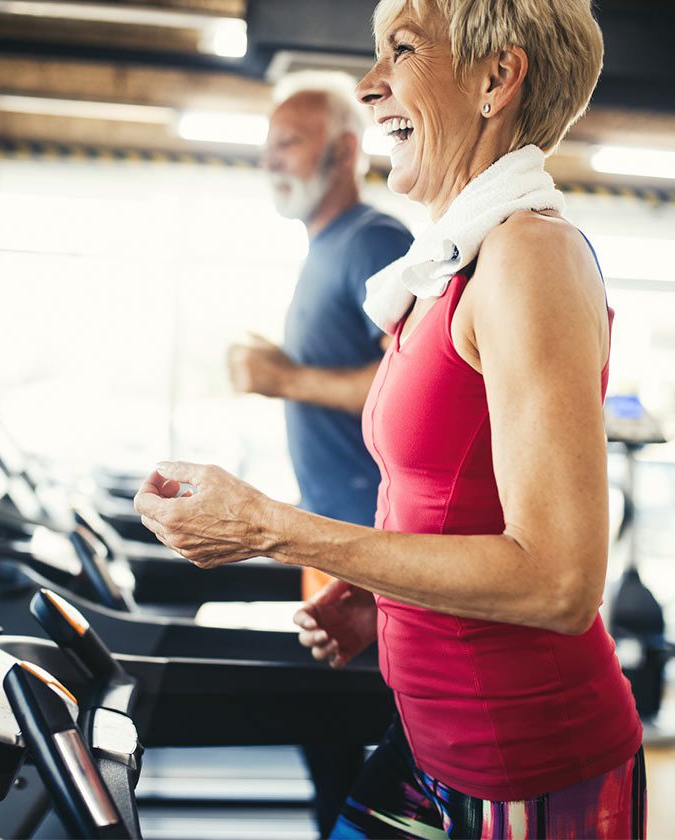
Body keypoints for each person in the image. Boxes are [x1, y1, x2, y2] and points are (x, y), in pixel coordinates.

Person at [136, 0, 646, 837]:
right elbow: (459, 501)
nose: (370, 87)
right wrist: (385, 600)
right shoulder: (453, 265)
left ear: (497, 78)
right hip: (425, 739)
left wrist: (272, 529)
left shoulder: (528, 258)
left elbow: (559, 581)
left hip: (525, 757)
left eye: (400, 52)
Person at [227, 75, 413, 837]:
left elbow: (415, 382)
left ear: (343, 150)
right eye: (266, 146)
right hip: (329, 535)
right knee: (326, 745)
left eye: (288, 143)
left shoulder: (374, 239)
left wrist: (286, 377)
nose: (271, 161)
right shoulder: (325, 246)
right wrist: (283, 367)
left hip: (371, 550)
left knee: (357, 754)